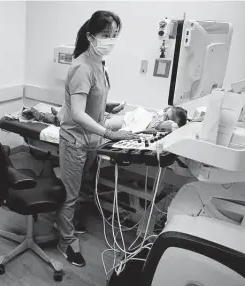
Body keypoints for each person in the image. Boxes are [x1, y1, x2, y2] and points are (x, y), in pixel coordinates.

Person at [55, 11, 139, 267]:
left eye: (114, 35)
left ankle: (68, 225)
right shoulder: (82, 66)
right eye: (105, 35)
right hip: (75, 141)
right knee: (70, 194)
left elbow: (90, 100)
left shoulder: (98, 62)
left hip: (90, 140)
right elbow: (77, 113)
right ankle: (65, 241)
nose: (110, 40)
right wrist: (110, 133)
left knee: (80, 188)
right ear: (91, 36)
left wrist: (106, 108)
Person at [104, 105, 188, 132]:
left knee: (104, 123)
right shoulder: (158, 116)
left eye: (166, 116)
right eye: (165, 110)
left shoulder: (158, 125)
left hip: (126, 122)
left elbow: (172, 126)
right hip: (129, 117)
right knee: (105, 116)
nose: (162, 114)